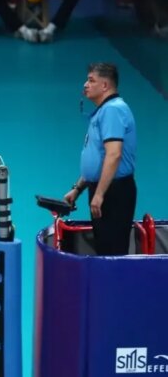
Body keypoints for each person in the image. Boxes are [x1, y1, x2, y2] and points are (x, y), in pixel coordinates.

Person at [64, 63, 137, 256]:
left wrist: (99, 194)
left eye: (91, 80)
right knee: (104, 250)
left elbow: (113, 155)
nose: (85, 84)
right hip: (103, 188)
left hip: (114, 192)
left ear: (105, 85)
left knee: (112, 253)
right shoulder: (103, 111)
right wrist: (78, 188)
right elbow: (98, 157)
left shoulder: (113, 110)